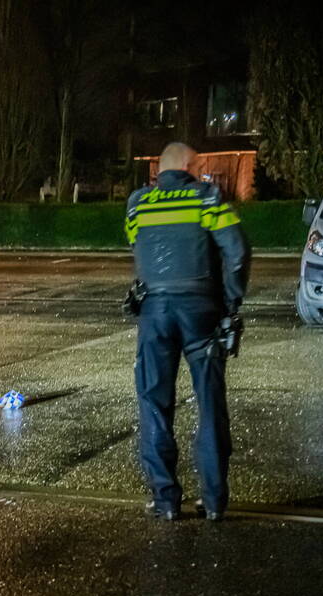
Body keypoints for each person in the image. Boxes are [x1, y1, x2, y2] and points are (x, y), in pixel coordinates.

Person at [124, 142, 251, 522]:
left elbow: (138, 247)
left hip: (154, 313)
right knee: (210, 403)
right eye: (197, 165)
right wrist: (230, 301)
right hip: (201, 312)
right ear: (188, 165)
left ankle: (165, 500)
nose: (200, 171)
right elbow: (237, 252)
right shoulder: (207, 198)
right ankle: (213, 501)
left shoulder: (137, 204)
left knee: (154, 403)